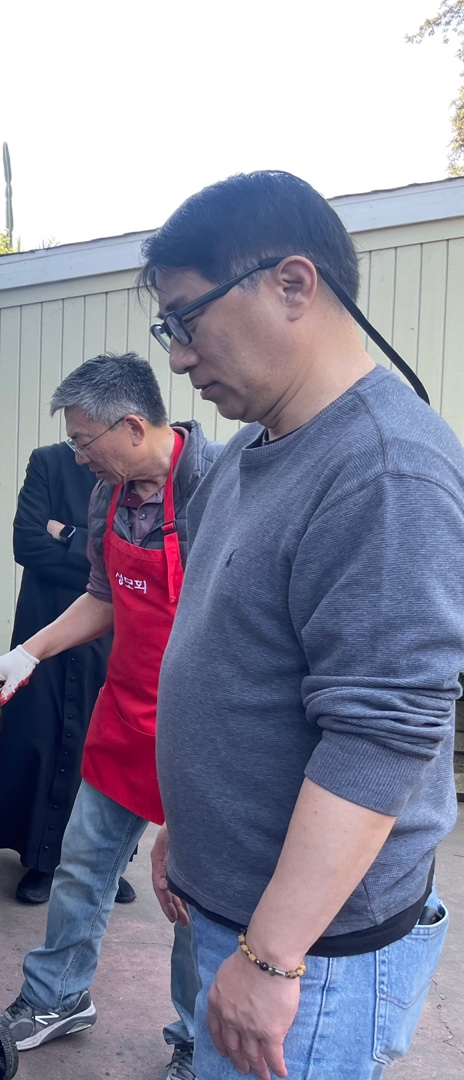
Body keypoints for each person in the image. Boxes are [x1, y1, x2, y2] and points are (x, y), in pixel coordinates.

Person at [145, 171, 461, 1080]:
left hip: (313, 953)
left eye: (186, 320)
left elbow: (381, 736)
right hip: (239, 906)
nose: (177, 358)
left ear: (293, 284)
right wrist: (188, 830)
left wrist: (274, 954)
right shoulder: (250, 450)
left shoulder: (385, 470)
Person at [0, 353, 221, 1080]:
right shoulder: (109, 495)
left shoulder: (221, 488)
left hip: (206, 727)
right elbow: (104, 595)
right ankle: (56, 997)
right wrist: (30, 650)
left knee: (192, 895)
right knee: (82, 862)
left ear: (130, 426)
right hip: (124, 712)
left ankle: (192, 1039)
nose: (78, 454)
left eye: (85, 440)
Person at [0, 441, 112, 905]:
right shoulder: (48, 462)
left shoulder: (131, 470)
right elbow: (26, 545)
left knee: (100, 741)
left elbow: (131, 557)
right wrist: (99, 558)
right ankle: (41, 860)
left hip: (105, 628)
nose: (82, 450)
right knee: (40, 735)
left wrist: (68, 535)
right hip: (44, 622)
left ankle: (100, 860)